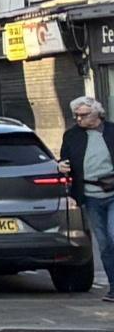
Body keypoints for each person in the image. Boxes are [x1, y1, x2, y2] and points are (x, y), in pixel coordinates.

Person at [67, 99, 114, 300]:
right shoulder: (71, 136)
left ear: (97, 114)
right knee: (103, 244)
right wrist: (61, 166)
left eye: (83, 115)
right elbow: (65, 161)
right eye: (76, 115)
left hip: (112, 192)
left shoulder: (111, 131)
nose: (79, 118)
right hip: (91, 196)